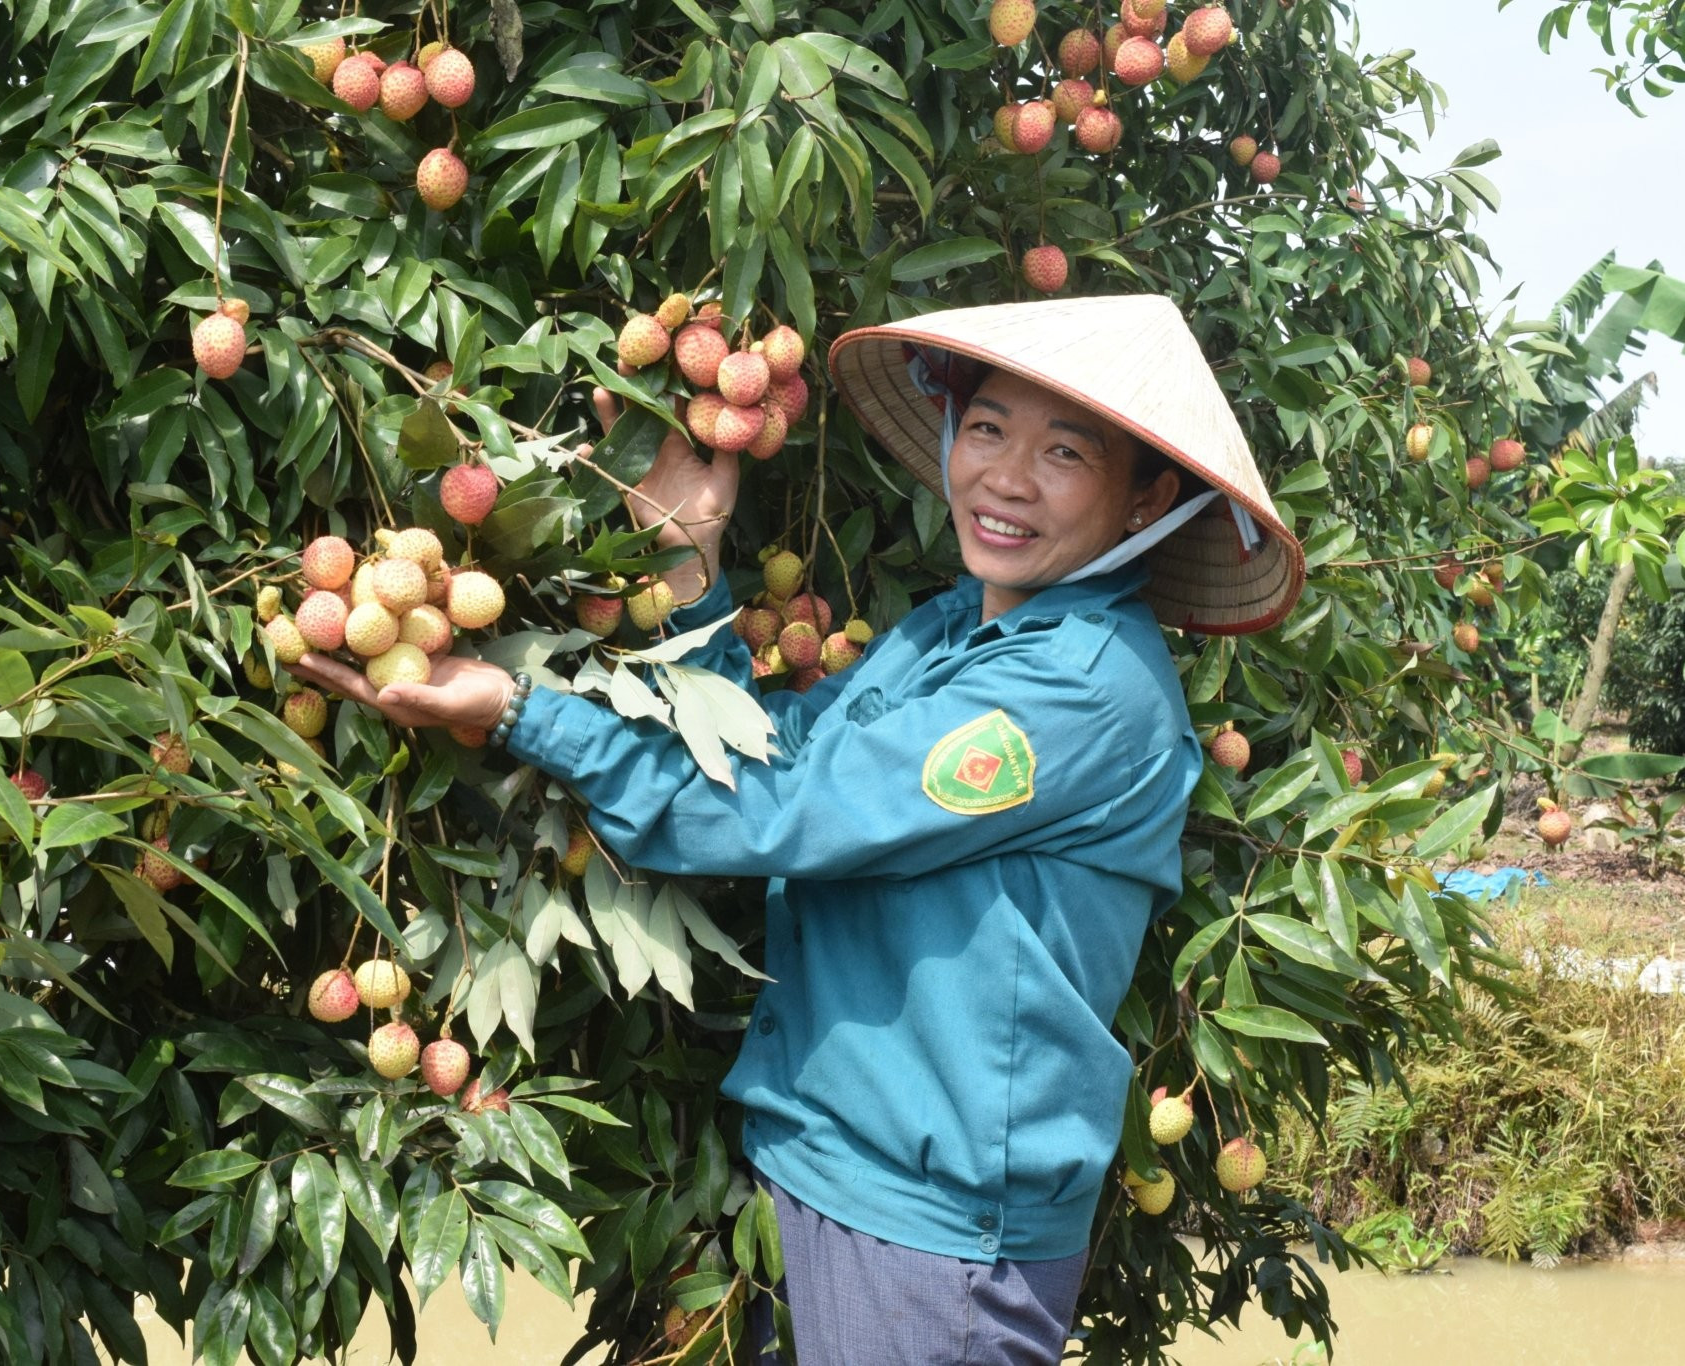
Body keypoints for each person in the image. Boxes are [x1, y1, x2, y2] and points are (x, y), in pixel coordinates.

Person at [296, 295, 1304, 1364]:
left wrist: (514, 709)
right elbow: (772, 753)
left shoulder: (1079, 691)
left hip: (934, 1234)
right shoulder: (953, 627)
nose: (1007, 477)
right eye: (993, 429)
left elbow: (776, 816)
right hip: (824, 1171)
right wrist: (689, 555)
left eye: (1065, 451)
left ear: (1148, 497)